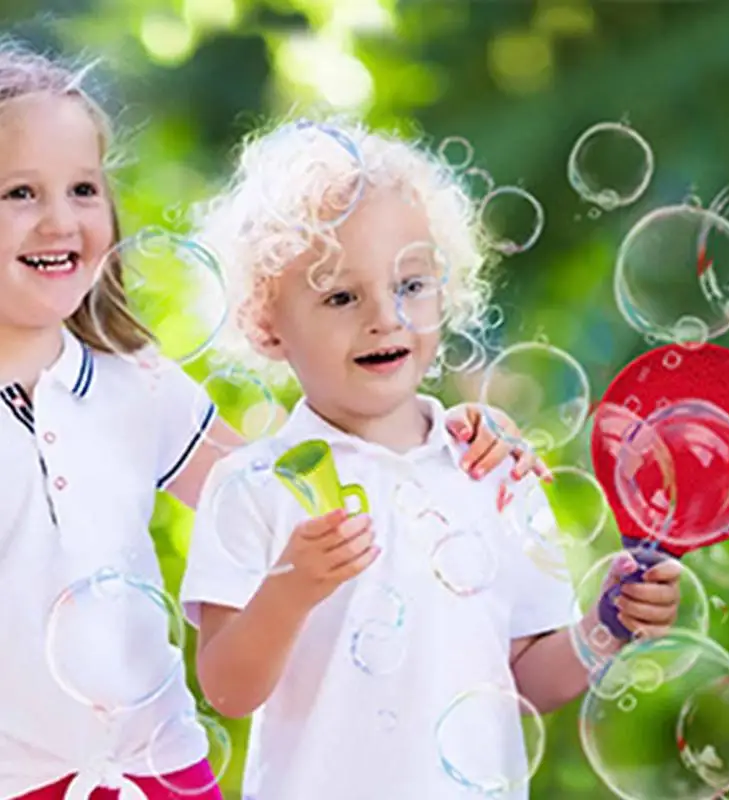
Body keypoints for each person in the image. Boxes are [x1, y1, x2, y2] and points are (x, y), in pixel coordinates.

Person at [0, 44, 537, 800]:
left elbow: (302, 476)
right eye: (20, 192)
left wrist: (450, 444)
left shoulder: (141, 389)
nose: (61, 220)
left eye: (83, 188)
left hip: (159, 770)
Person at [180, 118, 682, 799]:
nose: (385, 317)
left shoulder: (491, 469)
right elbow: (229, 690)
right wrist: (292, 586)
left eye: (410, 285)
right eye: (340, 296)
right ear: (266, 322)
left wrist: (605, 626)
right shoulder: (255, 485)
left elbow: (525, 684)